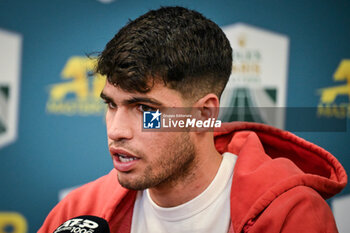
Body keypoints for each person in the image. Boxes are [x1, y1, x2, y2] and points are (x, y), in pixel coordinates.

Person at [39, 6, 347, 233]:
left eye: (145, 110)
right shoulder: (79, 212)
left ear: (203, 114)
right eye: (111, 105)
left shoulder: (290, 215)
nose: (117, 130)